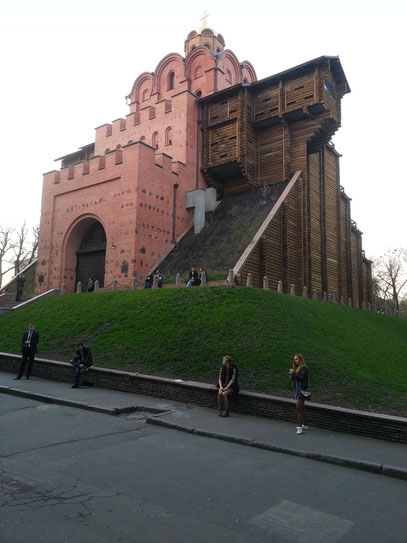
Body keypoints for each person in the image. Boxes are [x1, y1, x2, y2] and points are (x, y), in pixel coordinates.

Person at [289, 353, 309, 434]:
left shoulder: (304, 367)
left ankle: (300, 427)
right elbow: (297, 379)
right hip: (298, 390)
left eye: (296, 359)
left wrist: (294, 373)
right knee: (302, 408)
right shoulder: (298, 368)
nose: (295, 361)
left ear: (300, 359)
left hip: (301, 391)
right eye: (294, 359)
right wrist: (292, 376)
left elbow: (303, 378)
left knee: (299, 408)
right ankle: (304, 424)